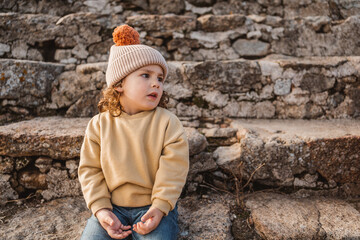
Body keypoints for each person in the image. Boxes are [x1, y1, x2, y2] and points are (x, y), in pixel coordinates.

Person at [78, 24, 189, 240]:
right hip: (112, 208)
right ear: (119, 84)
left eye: (160, 78)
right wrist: (101, 211)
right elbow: (90, 170)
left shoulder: (168, 123)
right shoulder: (99, 125)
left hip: (153, 209)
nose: (156, 84)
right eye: (145, 75)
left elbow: (174, 170)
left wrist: (159, 207)